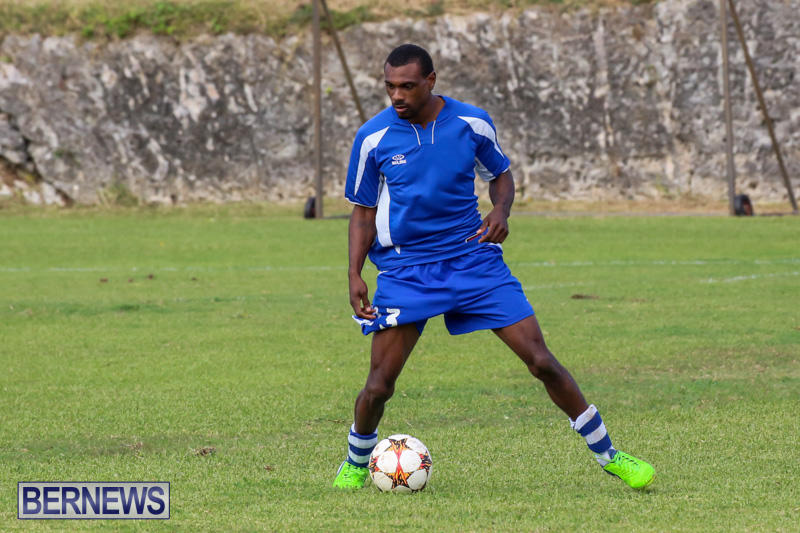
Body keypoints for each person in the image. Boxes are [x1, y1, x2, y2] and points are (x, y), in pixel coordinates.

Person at [333, 44, 654, 490]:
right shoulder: (373, 137)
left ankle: (610, 455)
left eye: (407, 86)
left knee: (541, 361)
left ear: (431, 81)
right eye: (390, 86)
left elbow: (500, 174)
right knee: (380, 385)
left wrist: (501, 210)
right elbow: (363, 211)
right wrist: (354, 273)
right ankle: (355, 462)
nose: (397, 96)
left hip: (474, 260)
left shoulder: (472, 123)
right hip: (408, 271)